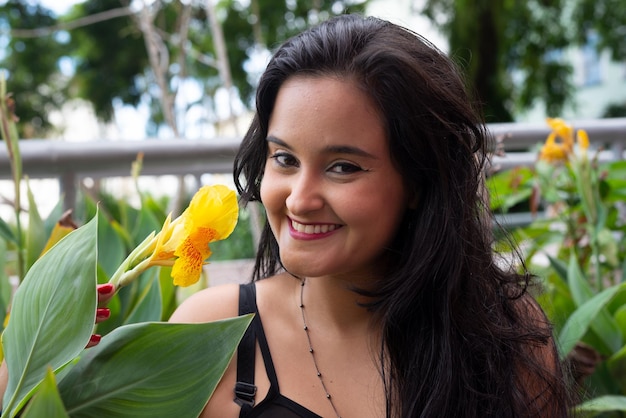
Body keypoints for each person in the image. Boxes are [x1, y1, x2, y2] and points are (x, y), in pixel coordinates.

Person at [0, 13, 570, 418]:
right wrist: (52, 372)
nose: (299, 198)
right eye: (284, 159)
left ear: (420, 181)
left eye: (344, 167)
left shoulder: (505, 335)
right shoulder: (213, 335)